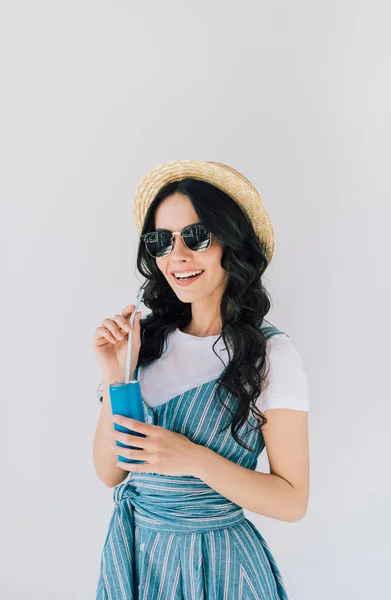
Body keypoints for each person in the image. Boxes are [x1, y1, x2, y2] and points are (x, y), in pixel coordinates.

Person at [92, 160, 310, 599]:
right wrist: (118, 377)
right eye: (161, 241)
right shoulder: (145, 342)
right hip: (139, 559)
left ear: (231, 243)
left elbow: (292, 501)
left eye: (196, 236)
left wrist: (192, 459)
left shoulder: (270, 355)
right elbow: (111, 472)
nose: (178, 256)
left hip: (219, 568)